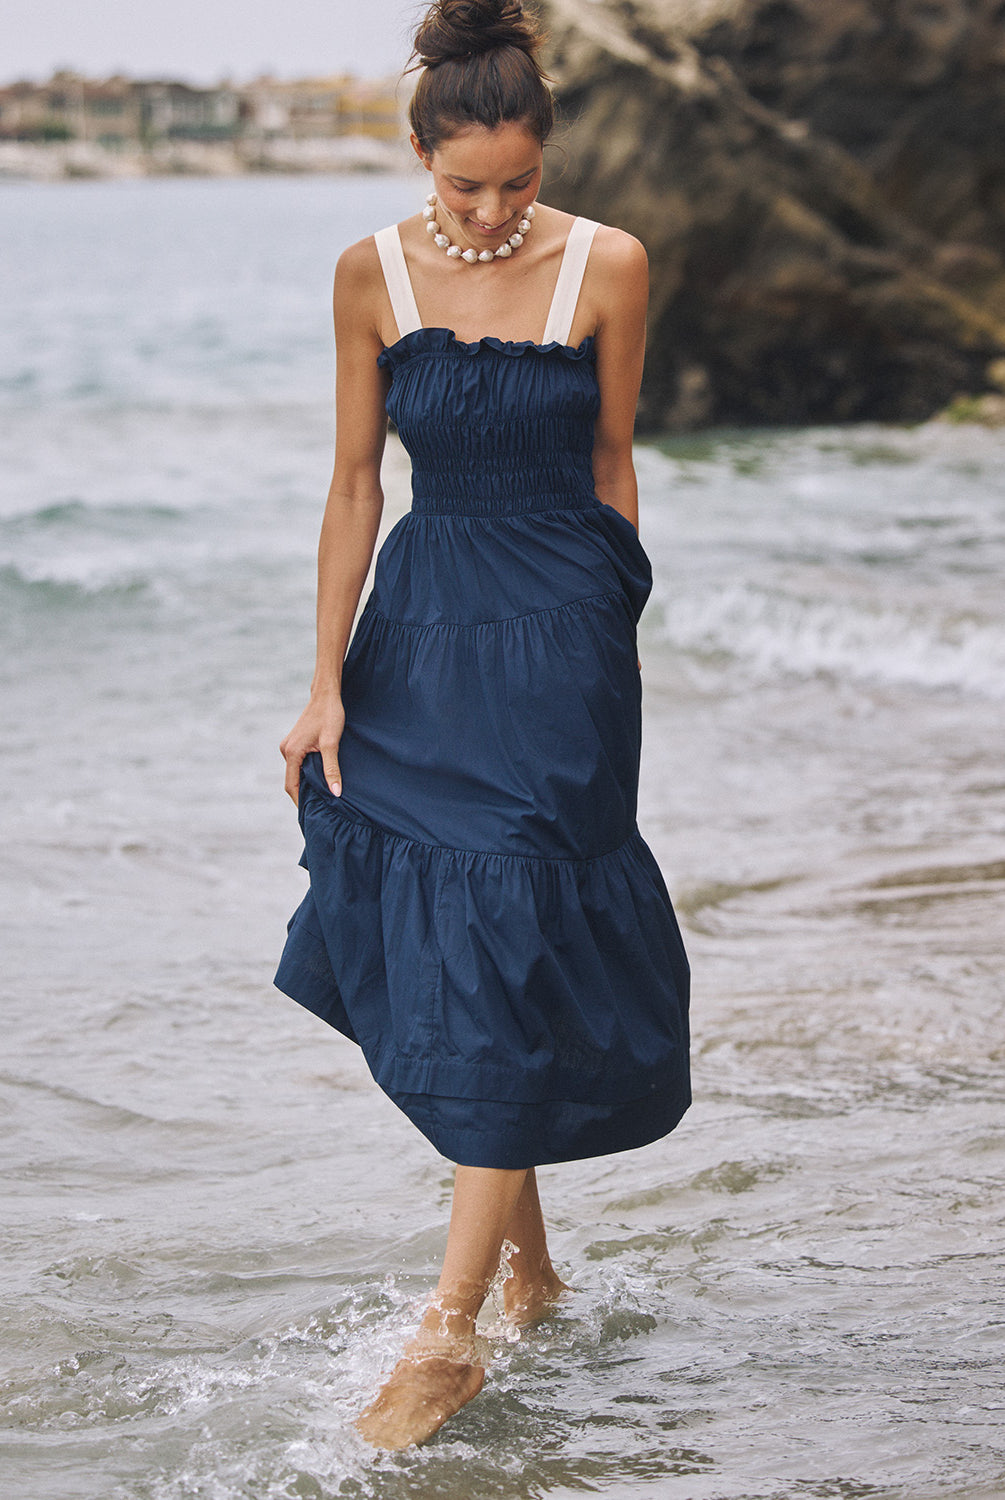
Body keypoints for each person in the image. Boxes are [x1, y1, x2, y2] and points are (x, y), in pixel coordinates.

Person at [275, 0, 691, 1451]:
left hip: (562, 643)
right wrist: (325, 682)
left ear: (545, 156)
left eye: (517, 181)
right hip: (419, 636)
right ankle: (531, 1276)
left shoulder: (608, 263)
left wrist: (607, 620)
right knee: (448, 936)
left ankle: (446, 1335)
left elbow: (613, 462)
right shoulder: (369, 272)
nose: (493, 209)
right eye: (465, 185)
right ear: (420, 157)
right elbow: (353, 486)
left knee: (513, 926)